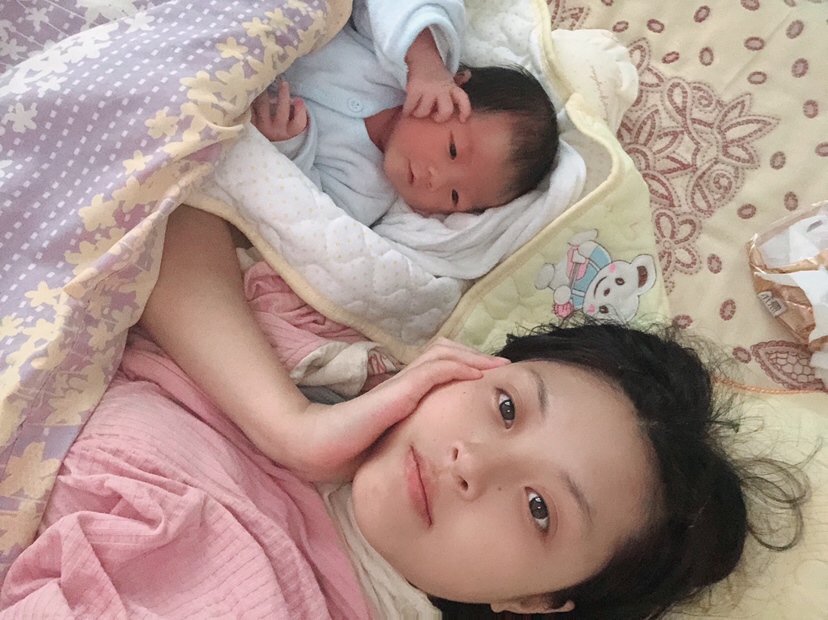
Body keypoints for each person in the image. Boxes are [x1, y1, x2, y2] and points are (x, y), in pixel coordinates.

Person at [131, 207, 803, 618]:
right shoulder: (326, 349)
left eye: (539, 508)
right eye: (506, 406)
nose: (472, 463)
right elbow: (165, 217)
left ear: (533, 602)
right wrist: (290, 425)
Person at [249, 0, 559, 226]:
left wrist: (290, 148)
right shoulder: (400, 63)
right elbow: (388, 8)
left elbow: (305, 208)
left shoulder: (365, 195)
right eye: (452, 150)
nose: (435, 179)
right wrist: (426, 62)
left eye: (454, 197)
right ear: (456, 86)